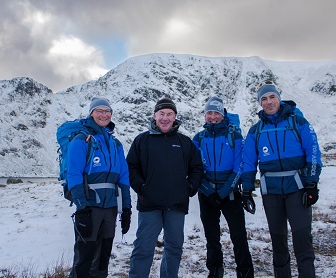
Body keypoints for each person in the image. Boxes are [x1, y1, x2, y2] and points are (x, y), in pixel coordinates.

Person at [241, 81, 322, 278]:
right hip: (272, 192)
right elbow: (249, 162)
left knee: (303, 241)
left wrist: (311, 183)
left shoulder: (298, 122)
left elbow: (313, 152)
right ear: (260, 103)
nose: (269, 102)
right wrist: (247, 189)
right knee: (278, 244)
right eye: (264, 99)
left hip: (297, 189)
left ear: (278, 98)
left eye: (272, 97)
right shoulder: (255, 131)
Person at [126, 97, 203, 278]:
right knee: (143, 247)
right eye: (162, 114)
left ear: (175, 117)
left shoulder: (184, 142)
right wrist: (142, 187)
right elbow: (131, 167)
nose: (165, 118)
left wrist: (189, 187)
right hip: (149, 204)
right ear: (154, 115)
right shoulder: (142, 140)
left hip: (176, 205)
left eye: (169, 114)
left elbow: (197, 168)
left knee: (174, 247)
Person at [67, 97, 132, 278]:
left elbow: (123, 177)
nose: (103, 115)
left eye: (107, 111)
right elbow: (73, 174)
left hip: (110, 209)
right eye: (99, 111)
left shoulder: (115, 144)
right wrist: (82, 207)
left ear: (111, 114)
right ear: (91, 113)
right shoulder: (82, 140)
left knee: (102, 259)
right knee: (84, 259)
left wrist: (126, 208)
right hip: (90, 208)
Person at [192, 96, 254, 278]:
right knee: (212, 238)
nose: (212, 117)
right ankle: (215, 271)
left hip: (231, 194)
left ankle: (245, 272)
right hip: (207, 195)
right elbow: (195, 169)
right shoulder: (199, 138)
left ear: (223, 114)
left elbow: (239, 166)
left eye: (216, 113)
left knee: (239, 237)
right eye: (209, 113)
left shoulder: (234, 136)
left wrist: (225, 191)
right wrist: (209, 192)